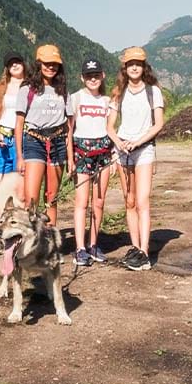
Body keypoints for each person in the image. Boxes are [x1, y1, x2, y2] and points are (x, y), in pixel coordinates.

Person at [107, 47, 164, 271]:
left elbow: (158, 124)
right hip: (123, 150)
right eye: (130, 64)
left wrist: (138, 141)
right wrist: (118, 142)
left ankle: (144, 251)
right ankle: (134, 247)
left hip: (144, 149)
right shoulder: (118, 93)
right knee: (129, 201)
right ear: (125, 67)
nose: (134, 67)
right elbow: (110, 126)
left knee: (142, 201)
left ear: (143, 67)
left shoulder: (153, 92)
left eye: (138, 64)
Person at [15, 44, 73, 226]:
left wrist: (70, 157)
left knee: (52, 197)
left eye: (55, 64)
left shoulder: (63, 91)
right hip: (34, 141)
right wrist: (20, 156)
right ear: (38, 64)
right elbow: (19, 124)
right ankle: (28, 241)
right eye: (47, 63)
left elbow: (69, 127)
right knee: (30, 199)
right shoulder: (27, 89)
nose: (51, 67)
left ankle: (50, 239)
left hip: (58, 142)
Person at [70, 58, 112, 266]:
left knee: (99, 200)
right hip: (81, 151)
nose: (92, 79)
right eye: (88, 76)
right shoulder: (76, 98)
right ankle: (80, 247)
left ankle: (93, 243)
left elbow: (111, 127)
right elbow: (69, 130)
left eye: (96, 75)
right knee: (81, 201)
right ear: (82, 78)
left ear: (102, 76)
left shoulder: (107, 101)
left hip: (103, 151)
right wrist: (70, 159)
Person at [0, 52, 26, 237]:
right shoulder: (0, 87)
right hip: (2, 139)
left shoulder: (29, 87)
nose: (15, 65)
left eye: (18, 62)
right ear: (7, 68)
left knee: (19, 191)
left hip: (22, 140)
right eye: (11, 63)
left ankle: (16, 232)